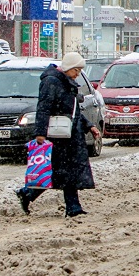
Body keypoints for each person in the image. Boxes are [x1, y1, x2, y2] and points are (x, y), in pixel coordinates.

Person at [16, 52, 101, 218]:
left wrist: (89, 125)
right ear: (68, 68)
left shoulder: (66, 83)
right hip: (58, 136)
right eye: (76, 70)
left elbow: (72, 111)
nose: (78, 74)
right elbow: (44, 107)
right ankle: (29, 194)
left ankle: (72, 207)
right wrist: (40, 133)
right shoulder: (51, 82)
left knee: (64, 172)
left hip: (69, 135)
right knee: (56, 171)